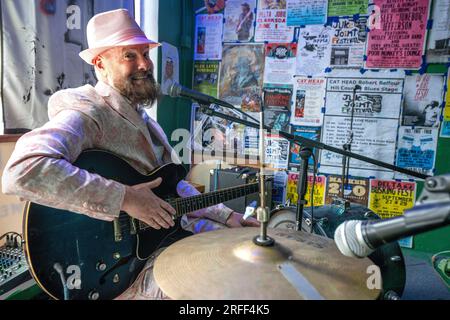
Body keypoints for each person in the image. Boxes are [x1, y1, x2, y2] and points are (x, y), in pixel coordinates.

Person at [1, 9, 258, 300]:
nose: (145, 64)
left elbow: (172, 187)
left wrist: (227, 216)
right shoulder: (88, 112)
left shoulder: (145, 120)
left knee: (240, 255)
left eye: (145, 53)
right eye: (129, 56)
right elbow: (23, 170)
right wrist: (125, 198)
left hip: (161, 241)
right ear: (100, 63)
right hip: (124, 267)